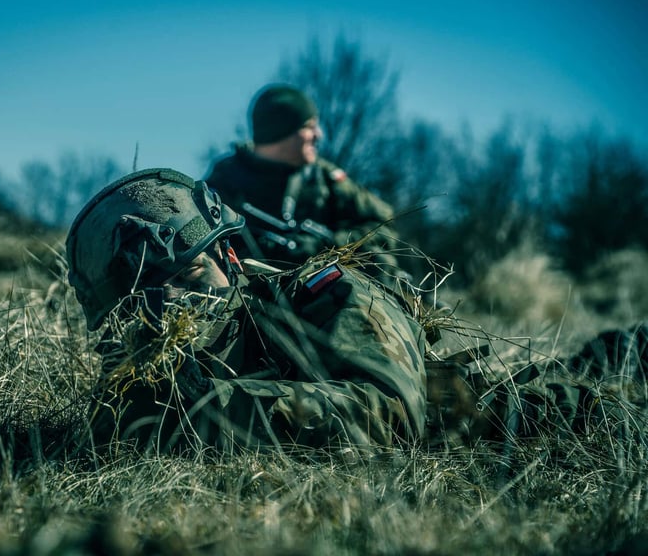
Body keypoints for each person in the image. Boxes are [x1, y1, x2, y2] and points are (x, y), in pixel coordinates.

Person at [66, 168, 646, 454]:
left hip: (515, 417)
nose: (169, 304)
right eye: (143, 294)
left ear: (228, 254)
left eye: (187, 274)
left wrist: (211, 412)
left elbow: (392, 414)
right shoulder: (149, 358)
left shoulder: (328, 294)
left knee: (606, 385)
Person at [204, 83, 398, 272]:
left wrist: (327, 246)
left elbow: (382, 225)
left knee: (378, 260)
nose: (318, 135)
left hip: (324, 288)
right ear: (280, 133)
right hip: (249, 291)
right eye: (309, 126)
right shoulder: (226, 179)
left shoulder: (323, 176)